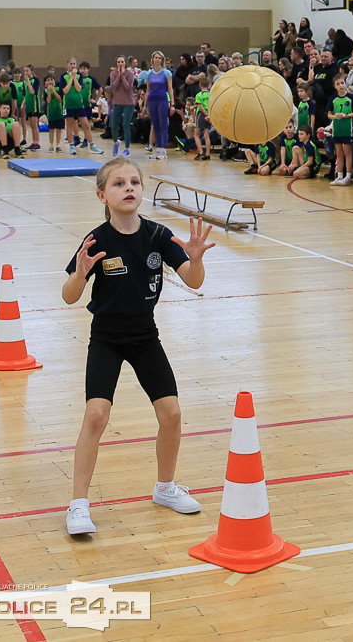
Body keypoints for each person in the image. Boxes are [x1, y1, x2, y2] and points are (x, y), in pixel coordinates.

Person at [63, 158, 215, 535]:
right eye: (118, 183)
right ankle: (78, 504)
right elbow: (69, 296)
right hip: (107, 338)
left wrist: (196, 260)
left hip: (145, 336)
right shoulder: (96, 240)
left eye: (134, 181)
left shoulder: (158, 236)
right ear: (102, 195)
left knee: (172, 413)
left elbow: (194, 281)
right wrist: (79, 275)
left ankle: (165, 488)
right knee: (96, 415)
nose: (129, 187)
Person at [138, 51, 175, 159]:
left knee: (163, 125)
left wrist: (172, 104)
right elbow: (148, 90)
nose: (157, 59)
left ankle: (164, 150)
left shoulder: (166, 73)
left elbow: (170, 89)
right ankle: (158, 148)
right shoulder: (149, 74)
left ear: (162, 60)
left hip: (162, 100)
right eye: (156, 57)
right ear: (152, 59)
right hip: (151, 101)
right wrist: (145, 106)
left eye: (159, 58)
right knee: (155, 125)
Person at [327, 75, 353, 185]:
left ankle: (348, 176)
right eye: (338, 84)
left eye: (342, 83)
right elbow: (329, 114)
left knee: (347, 152)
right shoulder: (333, 99)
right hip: (337, 129)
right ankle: (339, 175)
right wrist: (335, 116)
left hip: (347, 129)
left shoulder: (351, 98)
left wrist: (347, 115)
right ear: (334, 86)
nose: (341, 86)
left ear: (345, 83)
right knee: (339, 153)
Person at [109, 56, 136, 157]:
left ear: (125, 63)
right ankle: (116, 142)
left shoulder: (130, 74)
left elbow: (128, 88)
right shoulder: (113, 73)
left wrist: (123, 76)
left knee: (126, 124)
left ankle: (127, 148)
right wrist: (119, 76)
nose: (120, 64)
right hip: (117, 102)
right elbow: (113, 87)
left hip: (128, 103)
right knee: (114, 125)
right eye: (118, 62)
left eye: (122, 62)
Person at [43, 75, 65, 153]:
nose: (50, 82)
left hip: (59, 112)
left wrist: (54, 91)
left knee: (59, 129)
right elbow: (48, 101)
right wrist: (49, 92)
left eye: (51, 80)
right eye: (48, 80)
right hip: (51, 113)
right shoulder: (45, 91)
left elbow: (60, 99)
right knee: (51, 129)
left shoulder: (59, 89)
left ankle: (58, 145)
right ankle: (51, 145)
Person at [192, 74, 212, 161]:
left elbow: (200, 106)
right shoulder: (211, 94)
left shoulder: (199, 95)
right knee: (206, 134)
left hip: (202, 114)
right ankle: (208, 153)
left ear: (199, 84)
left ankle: (200, 152)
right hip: (210, 114)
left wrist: (206, 115)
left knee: (196, 134)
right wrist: (209, 115)